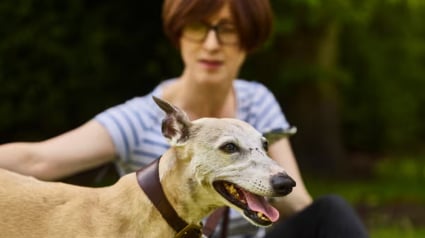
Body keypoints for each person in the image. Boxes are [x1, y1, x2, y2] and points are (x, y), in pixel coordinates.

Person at [0, 0, 369, 237]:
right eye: (198, 27)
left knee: (330, 211)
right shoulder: (141, 116)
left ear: (248, 42)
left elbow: (296, 202)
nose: (211, 44)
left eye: (227, 30)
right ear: (179, 36)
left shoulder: (257, 100)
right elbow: (40, 159)